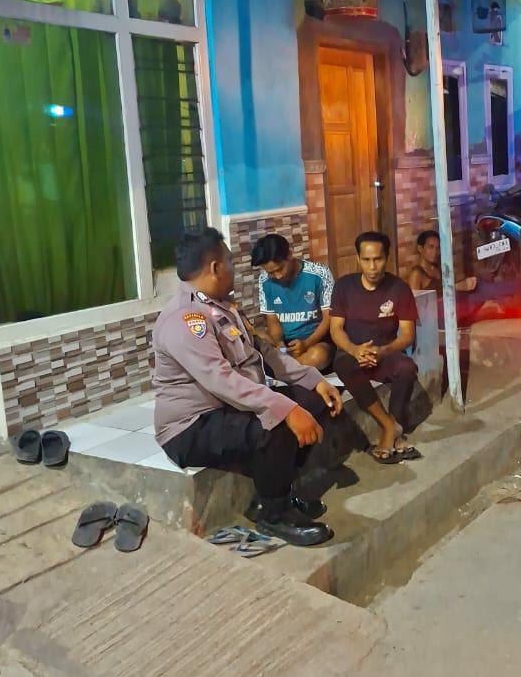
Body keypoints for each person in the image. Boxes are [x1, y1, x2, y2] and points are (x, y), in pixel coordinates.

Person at [152, 227, 343, 546]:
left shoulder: (222, 307)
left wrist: (314, 380)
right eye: (229, 261)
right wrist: (286, 410)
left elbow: (264, 351)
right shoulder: (185, 319)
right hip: (191, 427)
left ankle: (274, 493)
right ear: (215, 268)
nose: (234, 268)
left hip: (224, 410)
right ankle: (274, 514)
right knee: (276, 423)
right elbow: (222, 381)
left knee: (311, 400)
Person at [330, 232, 422, 465]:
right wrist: (354, 350)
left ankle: (393, 428)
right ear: (358, 259)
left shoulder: (399, 289)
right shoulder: (344, 287)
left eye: (378, 259)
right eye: (366, 260)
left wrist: (382, 352)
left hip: (385, 354)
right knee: (344, 365)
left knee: (406, 368)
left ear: (387, 258)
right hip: (353, 354)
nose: (372, 267)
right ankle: (390, 427)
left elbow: (408, 335)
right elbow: (336, 329)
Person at [253, 233, 335, 371]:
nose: (277, 276)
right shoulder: (264, 280)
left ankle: (284, 370)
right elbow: (273, 321)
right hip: (287, 345)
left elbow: (329, 318)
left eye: (280, 269)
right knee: (258, 336)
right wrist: (279, 344)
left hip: (315, 341)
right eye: (271, 273)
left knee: (318, 355)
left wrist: (306, 343)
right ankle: (292, 368)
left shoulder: (320, 274)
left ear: (289, 255)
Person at [407, 230, 514, 326]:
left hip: (448, 308)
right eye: (430, 247)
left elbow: (449, 287)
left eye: (438, 248)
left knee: (478, 285)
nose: (435, 252)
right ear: (420, 249)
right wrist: (455, 288)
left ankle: (513, 289)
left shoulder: (437, 268)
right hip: (434, 316)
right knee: (474, 295)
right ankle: (513, 290)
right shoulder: (417, 273)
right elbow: (415, 307)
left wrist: (465, 284)